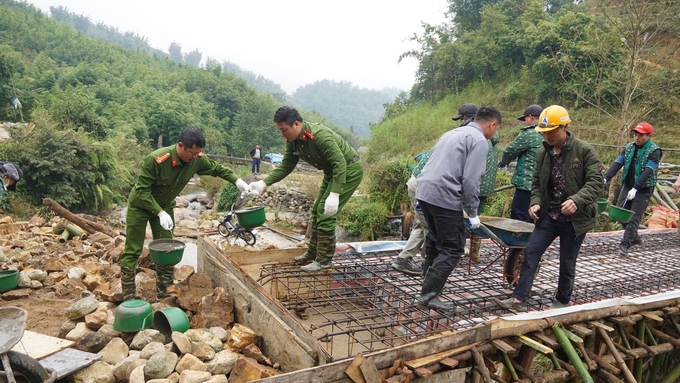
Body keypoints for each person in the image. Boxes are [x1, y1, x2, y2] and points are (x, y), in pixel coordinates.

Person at [120, 127, 250, 301]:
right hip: (140, 207)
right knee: (133, 250)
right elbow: (143, 191)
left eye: (198, 154)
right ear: (181, 146)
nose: (195, 157)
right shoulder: (156, 160)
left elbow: (218, 169)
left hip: (165, 206)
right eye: (192, 153)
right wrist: (159, 212)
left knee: (167, 247)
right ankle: (128, 296)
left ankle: (164, 289)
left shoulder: (195, 159)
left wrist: (237, 180)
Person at [495, 105, 603, 311]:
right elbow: (536, 183)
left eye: (552, 131)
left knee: (567, 262)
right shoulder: (542, 154)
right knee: (531, 254)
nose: (548, 136)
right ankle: (519, 299)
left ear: (566, 126)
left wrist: (577, 200)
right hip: (548, 216)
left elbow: (596, 183)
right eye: (544, 132)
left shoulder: (585, 151)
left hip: (575, 219)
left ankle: (562, 301)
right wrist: (535, 202)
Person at [249, 106, 363, 272]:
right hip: (331, 172)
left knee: (326, 213)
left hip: (348, 170)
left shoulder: (320, 136)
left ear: (296, 124)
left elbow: (340, 163)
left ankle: (324, 261)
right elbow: (286, 166)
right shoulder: (293, 142)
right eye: (280, 131)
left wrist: (335, 193)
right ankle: (313, 253)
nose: (283, 135)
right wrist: (264, 183)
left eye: (284, 130)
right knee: (317, 210)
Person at [416, 106, 502, 311]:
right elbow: (472, 180)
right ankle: (428, 296)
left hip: (425, 191)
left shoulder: (451, 133)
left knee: (436, 239)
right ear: (492, 124)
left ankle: (427, 289)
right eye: (496, 129)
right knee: (453, 247)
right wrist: (473, 213)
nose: (495, 133)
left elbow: (430, 163)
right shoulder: (480, 140)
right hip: (444, 195)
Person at [391, 103, 479, 276]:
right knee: (431, 228)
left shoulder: (453, 136)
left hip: (419, 181)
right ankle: (430, 266)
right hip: (427, 185)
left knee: (422, 223)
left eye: (462, 119)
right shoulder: (470, 139)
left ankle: (405, 258)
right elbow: (467, 177)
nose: (461, 122)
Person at [603, 122, 661, 256]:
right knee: (621, 213)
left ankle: (625, 245)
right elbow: (618, 162)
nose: (637, 137)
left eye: (641, 135)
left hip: (643, 189)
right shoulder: (629, 147)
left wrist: (636, 188)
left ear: (648, 135)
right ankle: (634, 237)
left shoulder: (654, 151)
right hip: (628, 186)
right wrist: (606, 177)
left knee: (634, 217)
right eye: (635, 134)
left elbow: (649, 170)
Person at [498, 104, 544, 223]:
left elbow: (509, 152)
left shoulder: (529, 133)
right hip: (544, 187)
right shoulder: (549, 132)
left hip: (527, 185)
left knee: (520, 217)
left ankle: (520, 241)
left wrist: (504, 162)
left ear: (530, 117)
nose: (525, 122)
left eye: (525, 119)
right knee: (537, 218)